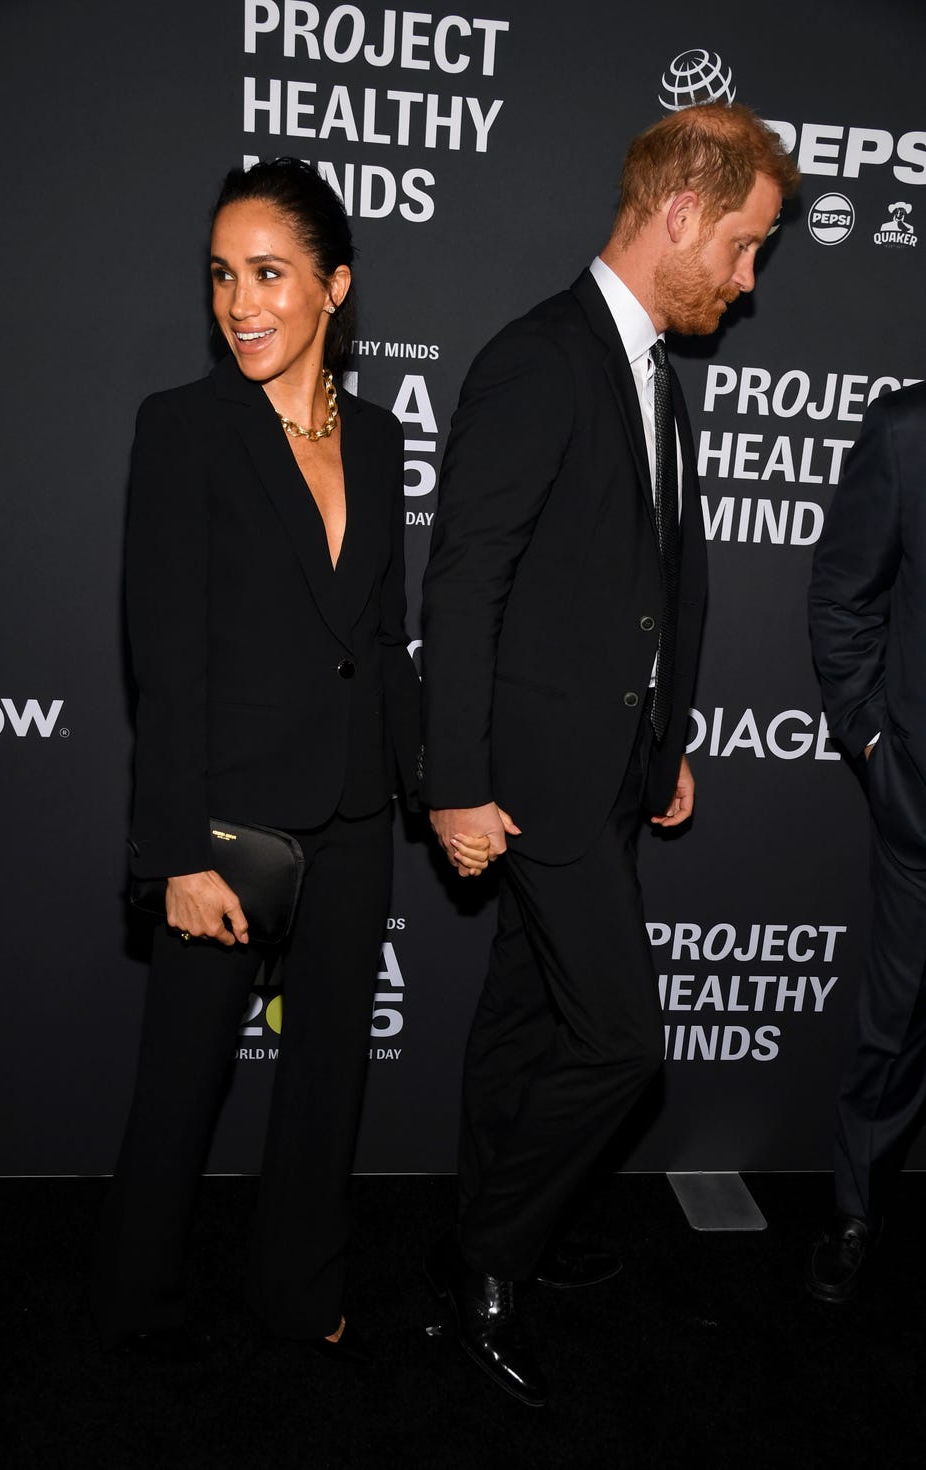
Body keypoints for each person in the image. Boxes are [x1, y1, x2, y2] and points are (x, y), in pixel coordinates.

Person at [420, 104, 800, 1405]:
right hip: (528, 778)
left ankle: (487, 1229)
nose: (746, 279)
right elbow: (464, 585)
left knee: (523, 1013)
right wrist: (455, 783)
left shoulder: (649, 373)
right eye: (743, 246)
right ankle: (486, 1256)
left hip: (605, 773)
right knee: (623, 1043)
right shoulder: (540, 360)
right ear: (681, 215)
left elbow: (647, 583)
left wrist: (665, 735)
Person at [91, 158, 488, 1364]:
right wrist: (174, 854)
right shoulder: (183, 428)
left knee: (327, 1079)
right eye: (222, 275)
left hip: (355, 812)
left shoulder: (375, 437)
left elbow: (381, 642)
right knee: (179, 1084)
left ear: (334, 287)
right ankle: (132, 1306)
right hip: (226, 827)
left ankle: (296, 1285)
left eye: (267, 273)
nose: (240, 303)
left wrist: (439, 789)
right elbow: (163, 664)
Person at [808, 380, 926, 1302]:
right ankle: (857, 1208)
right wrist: (880, 748)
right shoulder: (907, 432)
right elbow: (844, 602)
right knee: (895, 1027)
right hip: (922, 804)